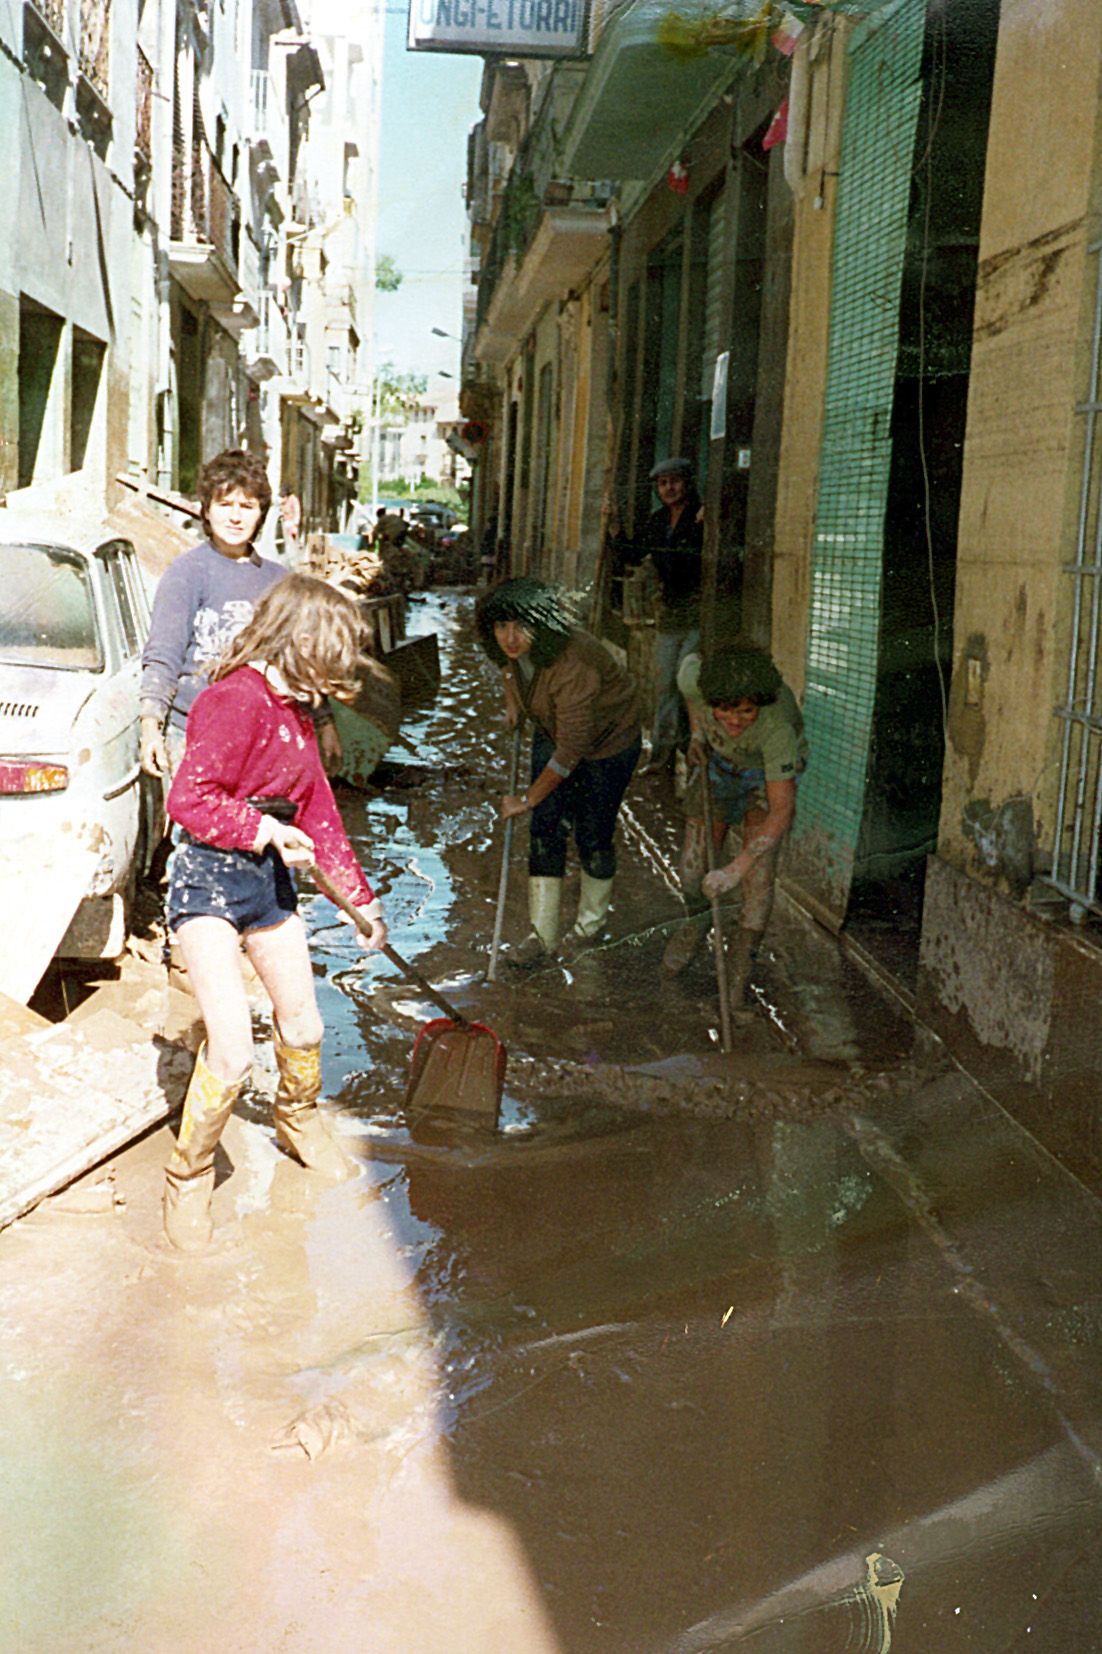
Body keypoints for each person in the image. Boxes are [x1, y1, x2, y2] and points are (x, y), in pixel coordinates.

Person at [161, 575, 388, 1251]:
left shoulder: (296, 711)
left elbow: (319, 812)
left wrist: (360, 904)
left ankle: (298, 1120)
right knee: (230, 1049)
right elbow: (188, 799)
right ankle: (189, 1174)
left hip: (268, 885)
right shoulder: (233, 700)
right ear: (303, 642)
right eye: (332, 663)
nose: (334, 684)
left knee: (305, 1025)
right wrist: (262, 831)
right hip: (208, 881)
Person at [140, 448, 342, 783]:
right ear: (206, 509)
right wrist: (150, 728)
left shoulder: (278, 580)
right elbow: (163, 656)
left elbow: (302, 662)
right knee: (197, 829)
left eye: (247, 506)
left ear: (261, 514)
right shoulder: (186, 573)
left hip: (262, 736)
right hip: (192, 731)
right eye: (225, 505)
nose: (235, 517)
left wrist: (325, 723)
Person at [476, 577, 642, 967]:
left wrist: (526, 798)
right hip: (556, 728)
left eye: (521, 626)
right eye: (502, 627)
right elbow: (507, 665)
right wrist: (514, 702)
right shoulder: (511, 650)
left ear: (544, 623)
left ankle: (588, 928)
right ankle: (542, 936)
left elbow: (572, 749)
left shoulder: (574, 662)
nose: (511, 638)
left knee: (593, 832)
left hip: (609, 742)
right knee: (544, 828)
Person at [662, 646, 807, 1014]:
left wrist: (734, 868)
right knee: (692, 870)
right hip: (718, 767)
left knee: (756, 880)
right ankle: (696, 923)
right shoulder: (694, 678)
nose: (735, 720)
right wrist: (697, 735)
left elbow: (781, 811)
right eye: (724, 709)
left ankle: (740, 969)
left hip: (763, 777)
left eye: (746, 710)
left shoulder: (777, 728)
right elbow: (691, 692)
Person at [615, 457, 704, 774]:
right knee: (665, 684)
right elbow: (633, 552)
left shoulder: (702, 514)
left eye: (674, 481)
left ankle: (693, 754)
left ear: (687, 483)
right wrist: (615, 530)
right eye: (663, 483)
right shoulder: (657, 522)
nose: (669, 488)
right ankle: (662, 756)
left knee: (689, 684)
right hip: (670, 615)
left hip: (699, 613)